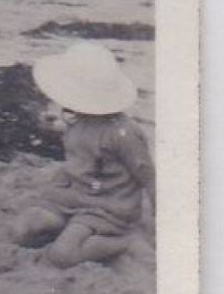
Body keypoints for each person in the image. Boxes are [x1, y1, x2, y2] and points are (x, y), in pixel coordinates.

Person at [12, 42, 156, 268]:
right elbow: (82, 147)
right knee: (23, 230)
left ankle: (124, 242)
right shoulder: (77, 119)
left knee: (62, 256)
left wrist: (163, 217)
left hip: (106, 206)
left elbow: (148, 176)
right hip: (73, 195)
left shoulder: (123, 133)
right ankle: (71, 230)